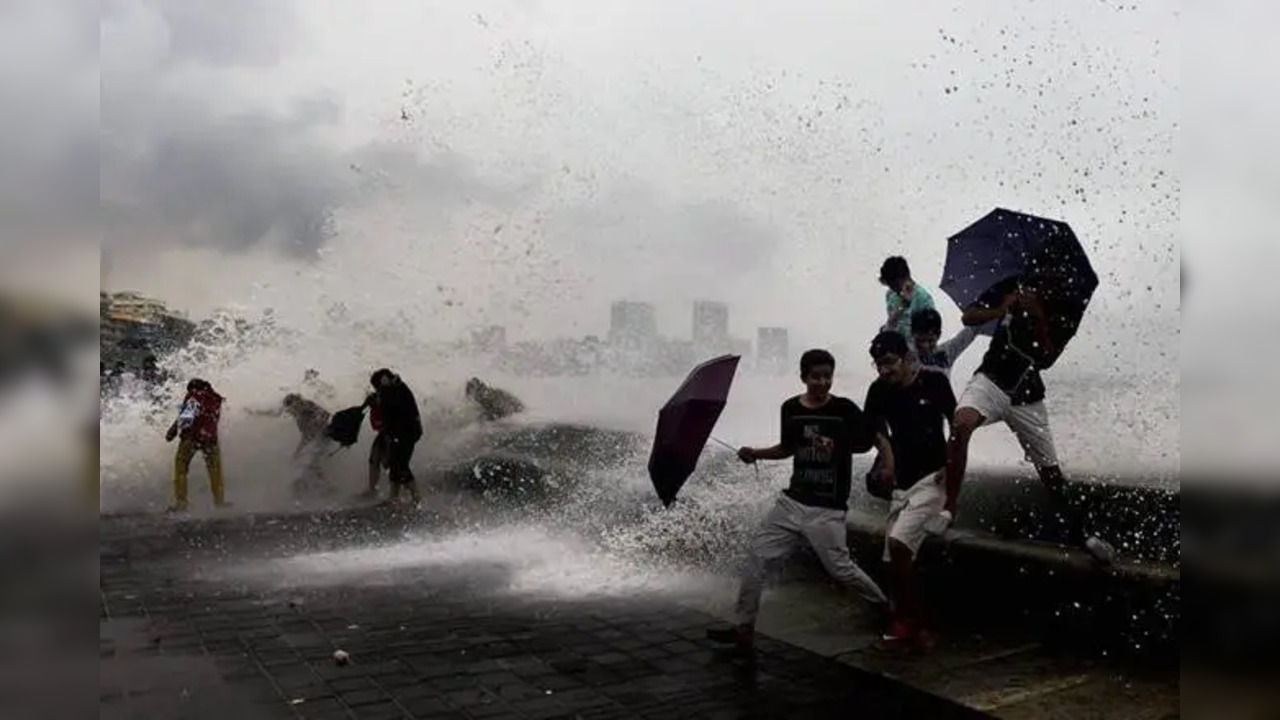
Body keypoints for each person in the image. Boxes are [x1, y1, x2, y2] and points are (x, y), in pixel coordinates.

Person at [707, 349, 893, 654]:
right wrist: (755, 452)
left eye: (827, 377)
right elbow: (787, 448)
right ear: (803, 377)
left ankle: (885, 607)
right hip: (791, 503)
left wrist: (887, 466)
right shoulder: (790, 408)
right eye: (816, 376)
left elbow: (877, 438)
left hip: (827, 507)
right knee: (756, 559)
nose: (822, 382)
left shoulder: (843, 409)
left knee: (840, 569)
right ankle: (743, 628)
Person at [943, 276, 1115, 565]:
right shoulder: (1013, 282)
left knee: (1052, 475)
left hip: (1028, 395)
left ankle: (1082, 534)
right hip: (991, 379)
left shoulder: (1067, 310)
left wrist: (1038, 317)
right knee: (960, 426)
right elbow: (969, 316)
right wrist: (1001, 309)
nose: (1044, 279)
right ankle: (948, 508)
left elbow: (1046, 358)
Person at [864, 331, 957, 652]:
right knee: (893, 559)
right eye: (879, 365)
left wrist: (952, 466)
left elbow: (956, 429)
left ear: (906, 358)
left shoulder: (934, 383)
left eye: (889, 363)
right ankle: (903, 617)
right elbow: (877, 432)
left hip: (933, 480)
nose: (884, 371)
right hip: (901, 484)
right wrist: (886, 463)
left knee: (900, 544)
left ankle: (916, 625)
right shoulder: (878, 391)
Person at [248, 393, 334, 496]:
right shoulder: (297, 413)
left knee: (310, 463)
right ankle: (308, 486)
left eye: (292, 407)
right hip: (313, 439)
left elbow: (326, 414)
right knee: (301, 461)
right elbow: (276, 413)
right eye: (290, 409)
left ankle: (324, 487)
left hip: (324, 437)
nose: (291, 412)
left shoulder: (306, 405)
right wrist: (255, 413)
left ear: (297, 402)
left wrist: (317, 423)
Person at [164, 378, 225, 512]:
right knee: (215, 471)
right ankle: (219, 502)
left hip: (191, 438)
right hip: (211, 439)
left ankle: (181, 503)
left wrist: (172, 432)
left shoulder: (194, 395)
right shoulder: (215, 399)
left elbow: (186, 417)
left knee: (181, 468)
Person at [370, 368, 423, 506]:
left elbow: (391, 414)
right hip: (404, 432)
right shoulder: (397, 387)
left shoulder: (393, 391)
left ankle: (417, 498)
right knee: (396, 464)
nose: (376, 390)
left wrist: (380, 399)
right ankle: (394, 498)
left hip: (407, 433)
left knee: (400, 465)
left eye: (377, 387)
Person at [879, 256, 936, 345]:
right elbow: (892, 325)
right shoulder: (891, 295)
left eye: (894, 285)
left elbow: (930, 334)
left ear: (904, 277)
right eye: (889, 285)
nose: (894, 289)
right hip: (896, 352)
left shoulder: (923, 299)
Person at [910, 308, 980, 379]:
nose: (925, 346)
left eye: (931, 341)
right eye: (920, 340)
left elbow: (972, 330)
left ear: (939, 335)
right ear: (912, 335)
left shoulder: (947, 352)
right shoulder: (906, 355)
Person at [359, 389, 389, 500]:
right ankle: (372, 490)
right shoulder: (373, 408)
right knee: (373, 460)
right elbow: (361, 410)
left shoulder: (386, 407)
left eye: (372, 401)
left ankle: (398, 491)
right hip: (383, 434)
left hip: (392, 434)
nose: (369, 405)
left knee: (388, 463)